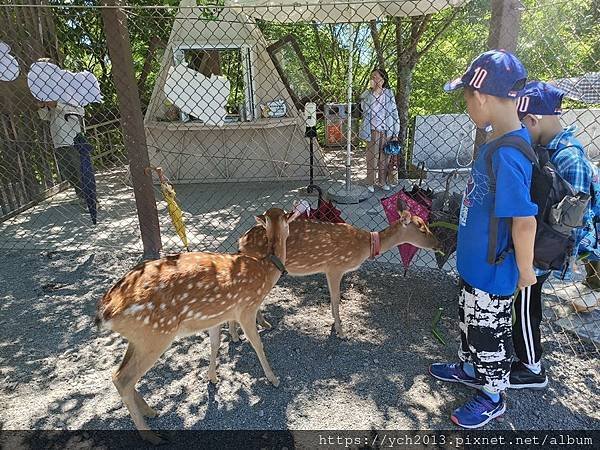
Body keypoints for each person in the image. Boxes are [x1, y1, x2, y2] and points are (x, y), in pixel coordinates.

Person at [429, 50, 538, 429]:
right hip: (476, 266)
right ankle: (469, 367)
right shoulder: (496, 143)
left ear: (482, 97)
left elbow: (524, 221)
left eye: (466, 98)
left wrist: (525, 270)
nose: (466, 106)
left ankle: (493, 395)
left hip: (494, 273)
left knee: (489, 333)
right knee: (470, 323)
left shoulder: (509, 153)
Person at [510, 81, 597, 389]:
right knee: (522, 302)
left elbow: (567, 224)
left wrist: (531, 261)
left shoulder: (569, 159)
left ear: (532, 120)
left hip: (545, 249)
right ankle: (523, 351)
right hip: (534, 242)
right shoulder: (546, 148)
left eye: (522, 124)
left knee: (525, 302)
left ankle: (531, 367)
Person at [36, 58, 86, 205]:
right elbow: (46, 117)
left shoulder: (68, 87)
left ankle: (90, 197)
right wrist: (42, 106)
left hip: (72, 136)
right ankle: (81, 195)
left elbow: (80, 110)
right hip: (58, 138)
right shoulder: (45, 90)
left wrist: (57, 104)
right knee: (67, 171)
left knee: (80, 169)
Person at [359, 68, 400, 192]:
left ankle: (382, 182)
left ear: (383, 79)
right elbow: (364, 110)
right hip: (372, 130)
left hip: (386, 130)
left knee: (385, 158)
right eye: (372, 77)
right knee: (372, 158)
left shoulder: (389, 93)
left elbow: (394, 112)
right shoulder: (367, 94)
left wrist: (396, 132)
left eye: (376, 76)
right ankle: (370, 182)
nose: (374, 79)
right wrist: (374, 92)